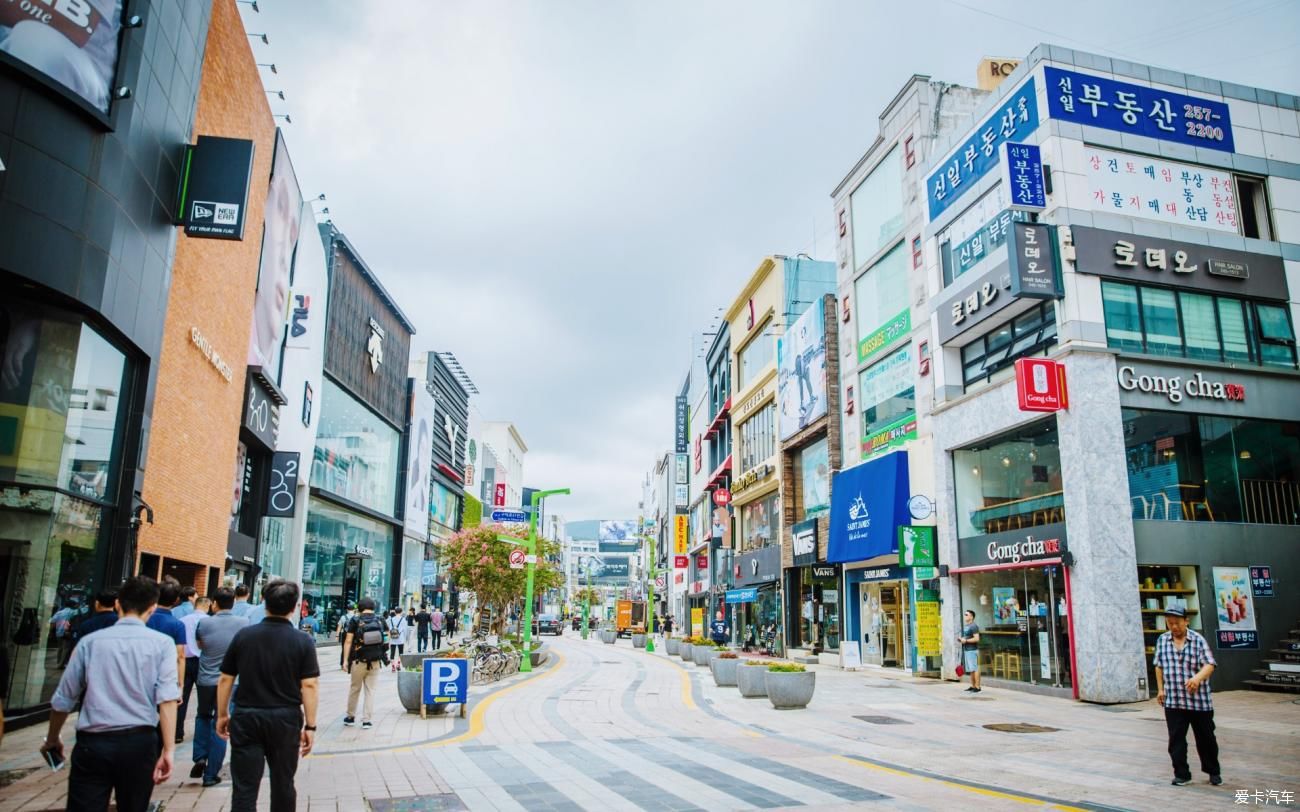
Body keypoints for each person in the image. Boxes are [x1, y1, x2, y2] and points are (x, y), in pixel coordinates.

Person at [42, 576, 180, 812]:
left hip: (92, 743)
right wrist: (168, 749)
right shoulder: (162, 644)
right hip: (140, 742)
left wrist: (53, 738)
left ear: (117, 604)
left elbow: (64, 698)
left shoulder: (89, 643)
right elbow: (167, 699)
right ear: (152, 608)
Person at [217, 579, 319, 811]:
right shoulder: (302, 640)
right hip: (285, 719)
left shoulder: (245, 636)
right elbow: (310, 685)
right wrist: (311, 726)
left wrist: (222, 714)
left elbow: (225, 678)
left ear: (264, 603)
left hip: (246, 716)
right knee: (283, 783)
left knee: (244, 787)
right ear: (294, 608)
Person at [1153, 606, 1221, 787]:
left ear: (1186, 621)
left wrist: (1197, 678)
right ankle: (1182, 774)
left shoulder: (1198, 640)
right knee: (1176, 739)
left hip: (1199, 701)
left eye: (1177, 623)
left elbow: (1210, 664)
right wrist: (1161, 689)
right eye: (1170, 623)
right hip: (1173, 699)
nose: (1173, 627)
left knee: (1206, 738)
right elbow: (1158, 666)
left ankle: (1213, 771)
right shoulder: (1162, 640)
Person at [192, 588, 247, 787]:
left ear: (214, 603)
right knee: (222, 722)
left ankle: (199, 756)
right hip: (232, 681)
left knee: (203, 716)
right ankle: (211, 774)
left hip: (206, 679)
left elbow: (199, 645)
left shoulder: (204, 623)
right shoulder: (243, 624)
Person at [341, 597, 387, 729]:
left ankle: (350, 717)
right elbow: (387, 637)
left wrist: (345, 660)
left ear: (360, 607)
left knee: (355, 688)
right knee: (370, 690)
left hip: (358, 660)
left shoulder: (355, 620)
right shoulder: (380, 619)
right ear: (373, 607)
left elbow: (348, 641)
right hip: (375, 660)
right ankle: (366, 720)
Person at [147, 579, 189, 722]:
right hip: (166, 675)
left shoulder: (145, 618)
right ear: (177, 600)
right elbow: (180, 656)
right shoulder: (177, 625)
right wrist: (181, 685)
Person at [178, 595, 212, 744]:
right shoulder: (209, 622)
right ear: (208, 606)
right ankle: (202, 732)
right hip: (201, 661)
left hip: (184, 661)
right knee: (204, 699)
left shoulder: (182, 621)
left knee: (182, 698)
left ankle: (177, 732)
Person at [958, 609, 981, 693]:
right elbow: (967, 637)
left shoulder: (974, 626)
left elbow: (977, 638)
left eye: (966, 614)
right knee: (971, 669)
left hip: (972, 650)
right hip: (967, 650)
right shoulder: (967, 626)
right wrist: (962, 639)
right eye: (964, 614)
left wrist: (966, 641)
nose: (965, 616)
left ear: (971, 616)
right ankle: (973, 686)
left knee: (974, 668)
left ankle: (978, 687)